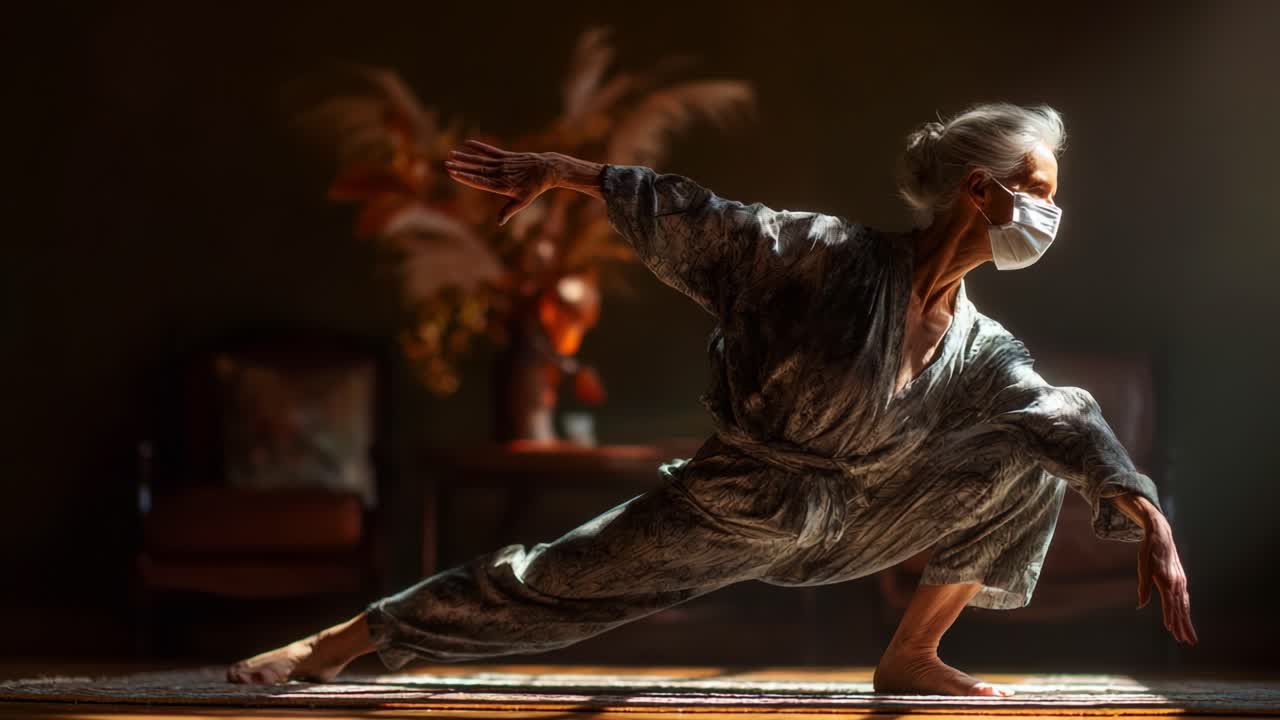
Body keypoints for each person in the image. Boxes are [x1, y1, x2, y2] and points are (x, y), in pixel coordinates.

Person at [227, 102, 1196, 695]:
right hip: (740, 504)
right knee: (551, 581)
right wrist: (561, 174)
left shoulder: (982, 343)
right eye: (1038, 191)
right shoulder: (827, 256)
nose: (1049, 215)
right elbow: (707, 217)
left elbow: (1064, 417)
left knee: (1033, 445)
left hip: (859, 516)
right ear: (979, 191)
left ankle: (910, 653)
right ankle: (336, 643)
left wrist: (1145, 515)